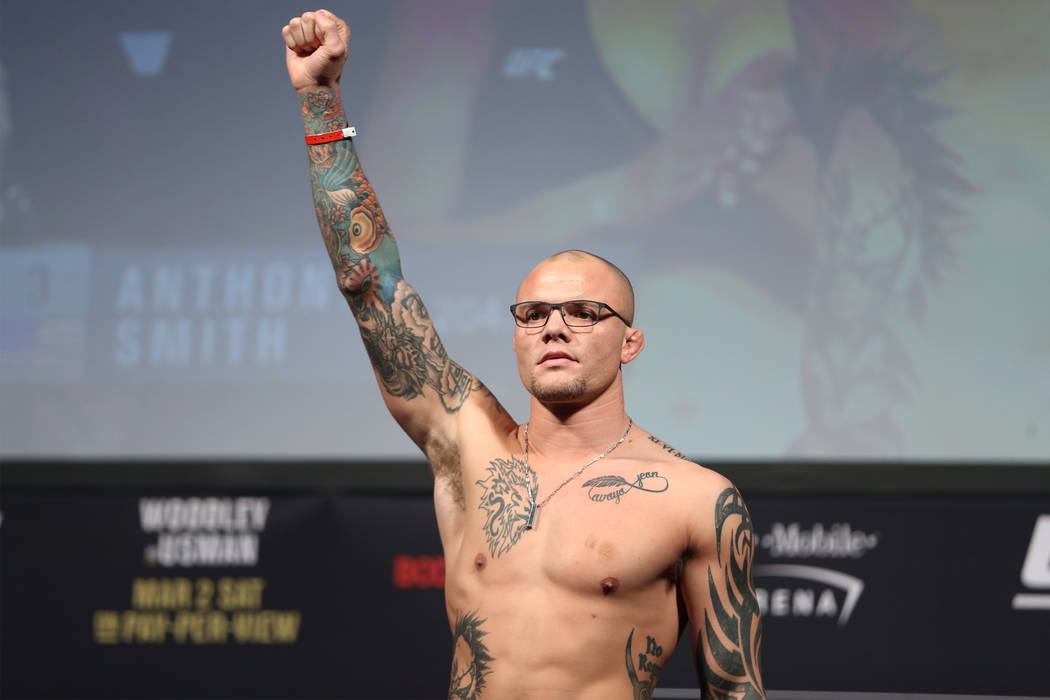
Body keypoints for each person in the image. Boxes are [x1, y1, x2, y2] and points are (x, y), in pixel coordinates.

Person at [283, 9, 765, 699]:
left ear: (631, 342)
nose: (554, 328)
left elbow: (736, 690)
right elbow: (369, 284)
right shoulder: (468, 442)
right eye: (534, 314)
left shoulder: (696, 502)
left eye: (584, 313)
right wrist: (319, 101)